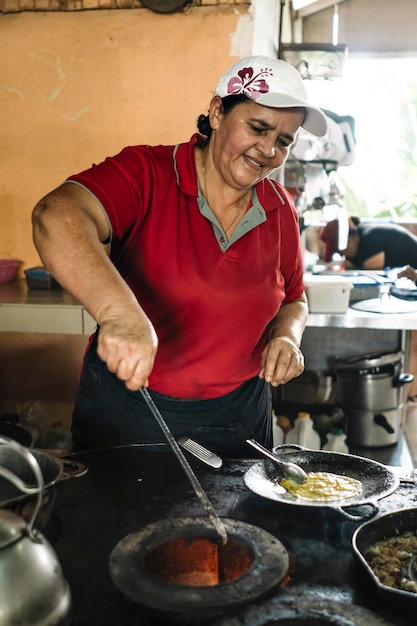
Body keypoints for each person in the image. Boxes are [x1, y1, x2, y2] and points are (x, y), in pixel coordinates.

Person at [31, 55, 328, 456]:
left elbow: (294, 298)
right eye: (258, 128)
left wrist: (288, 338)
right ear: (218, 112)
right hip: (133, 410)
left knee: (239, 521)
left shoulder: (278, 206)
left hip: (239, 416)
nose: (268, 150)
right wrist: (119, 313)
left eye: (283, 141)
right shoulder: (147, 174)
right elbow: (56, 215)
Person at [320, 215, 417, 270]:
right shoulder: (360, 236)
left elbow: (373, 269)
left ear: (349, 242)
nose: (344, 256)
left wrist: (354, 265)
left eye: (341, 252)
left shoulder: (369, 238)